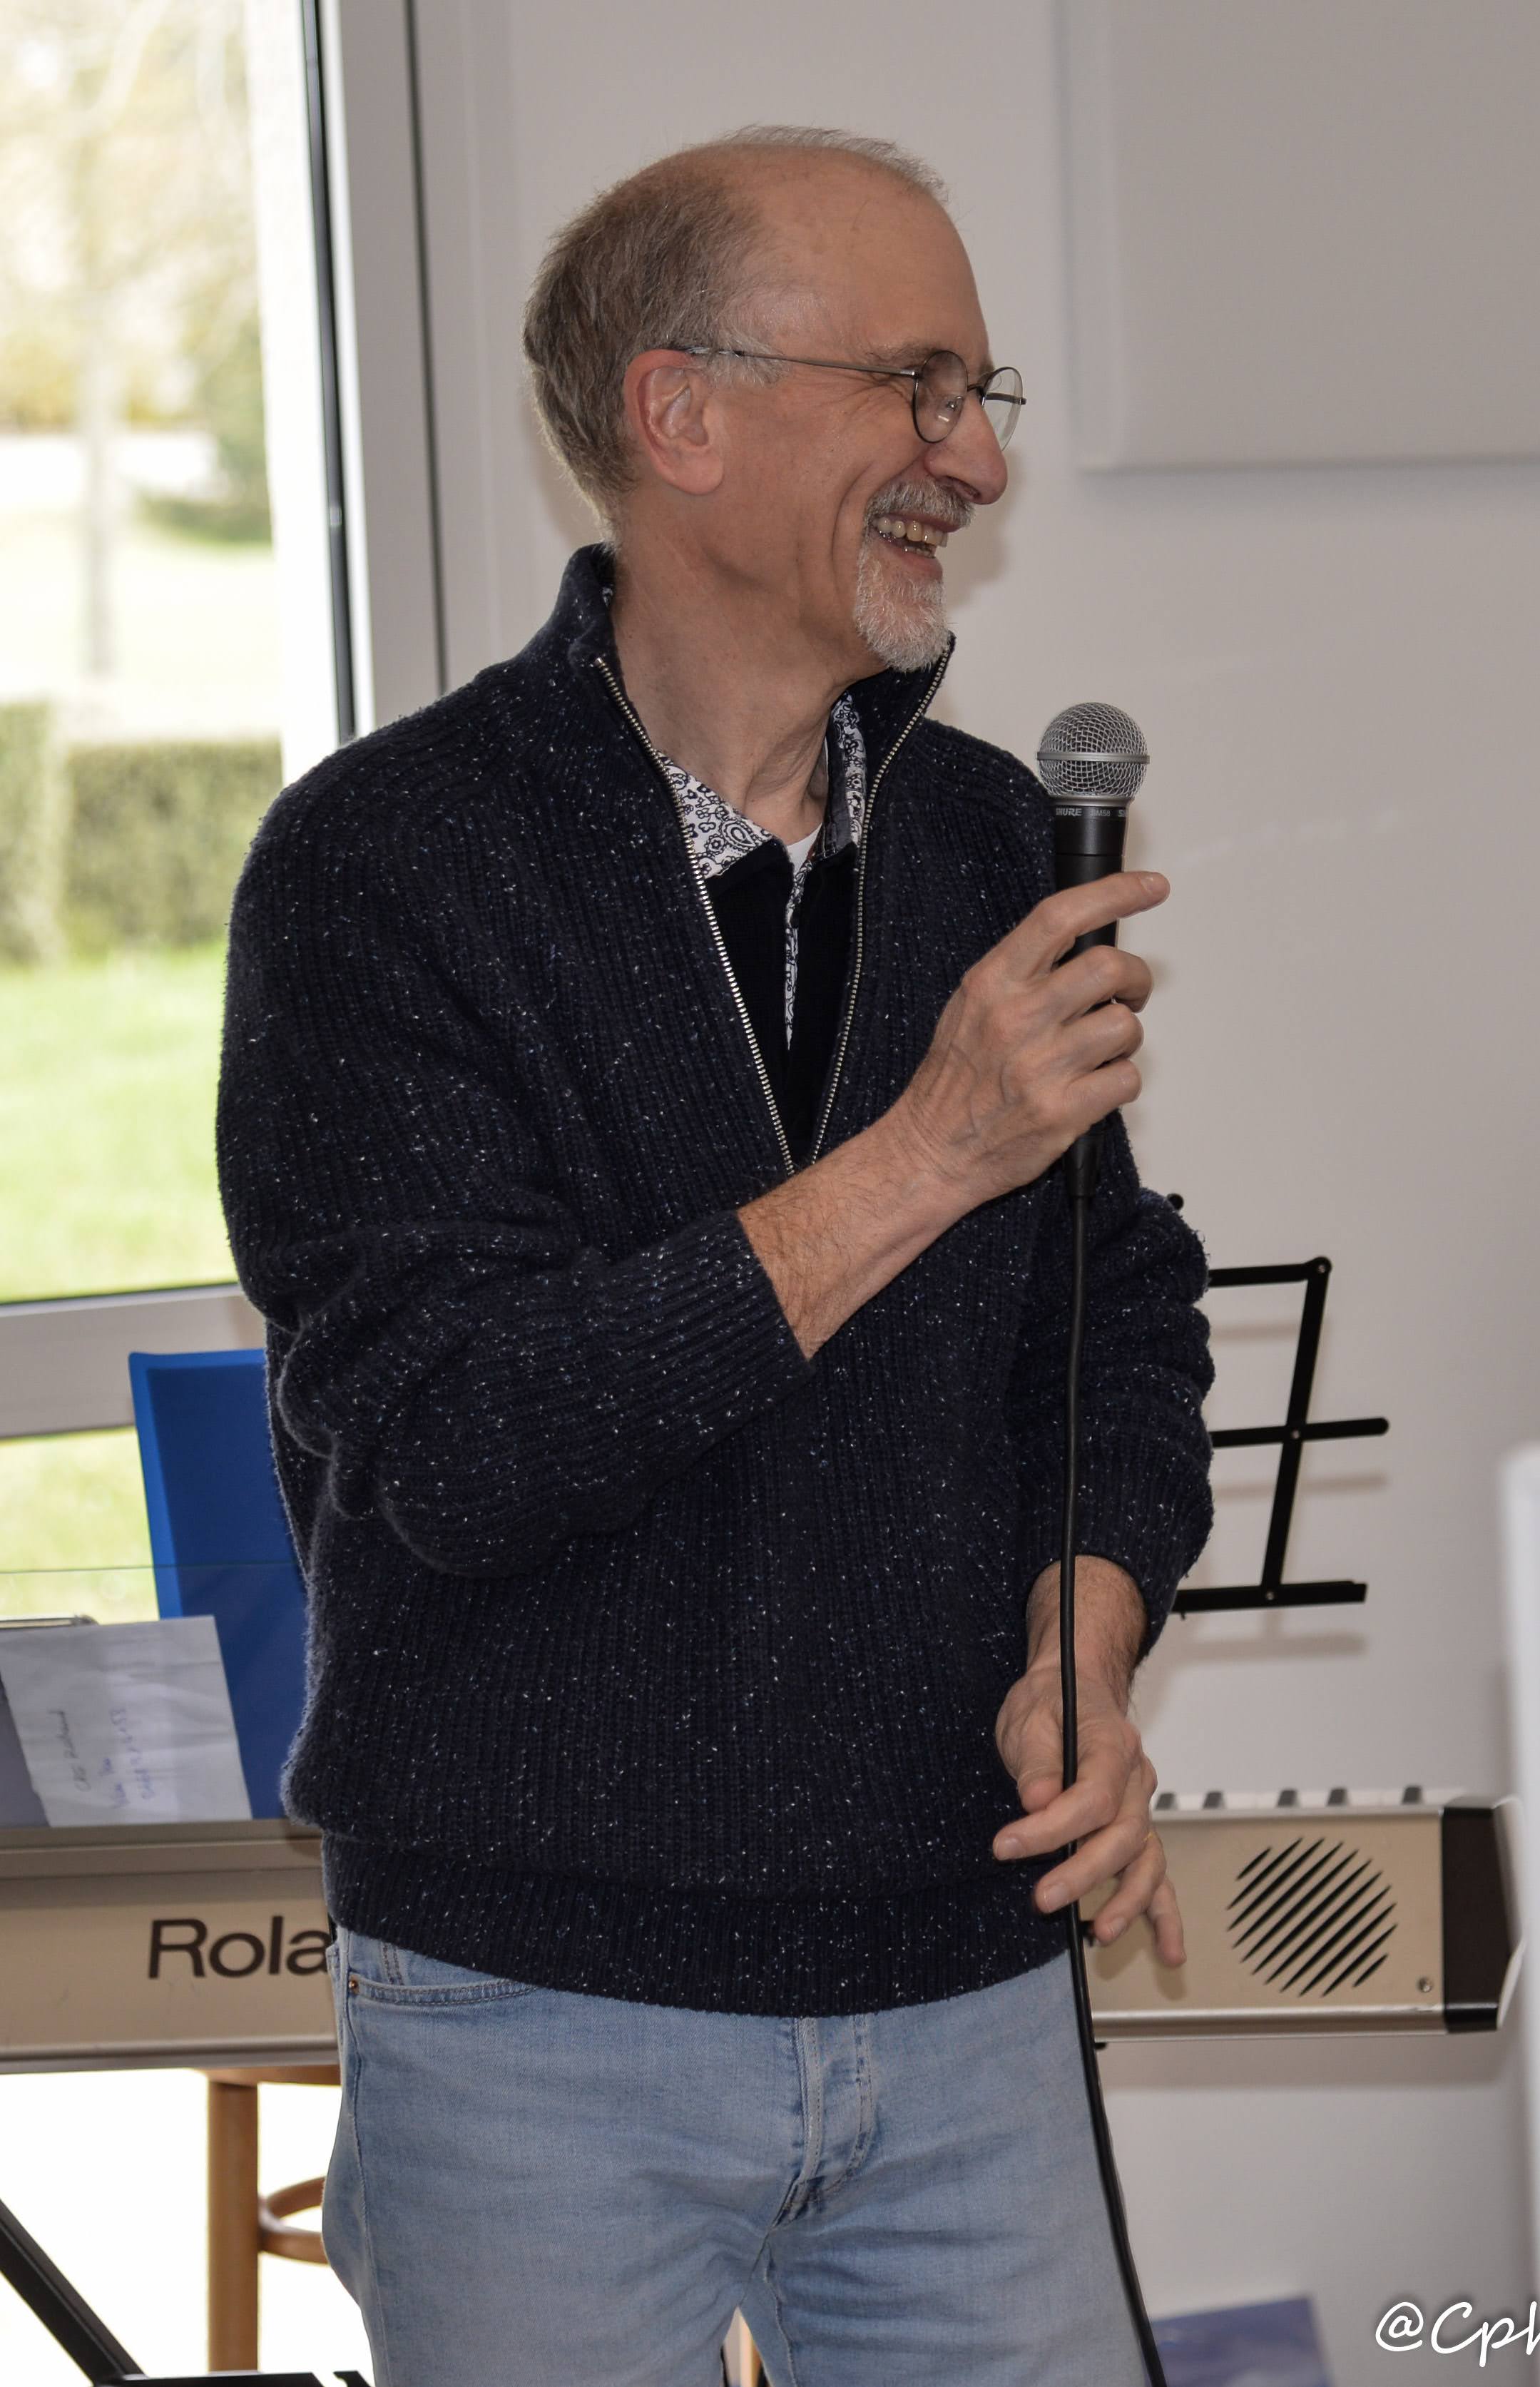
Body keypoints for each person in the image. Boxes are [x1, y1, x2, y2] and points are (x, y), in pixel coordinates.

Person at [217, 125, 1213, 2387]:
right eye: (915, 386)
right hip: (535, 2021)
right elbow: (450, 1441)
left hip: (966, 1985)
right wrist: (925, 1152)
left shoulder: (985, 838)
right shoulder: (386, 865)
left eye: (979, 397)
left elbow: (1111, 1320)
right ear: (680, 414)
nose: (970, 458)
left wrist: (1084, 1618)